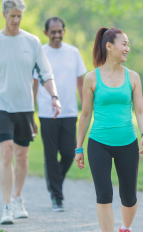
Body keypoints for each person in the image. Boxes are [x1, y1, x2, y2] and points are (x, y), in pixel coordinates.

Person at [0, 0, 61, 225]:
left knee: (22, 156)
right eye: (12, 16)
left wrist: (54, 96)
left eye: (19, 16)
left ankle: (17, 198)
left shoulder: (32, 41)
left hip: (25, 108)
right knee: (6, 152)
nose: (15, 20)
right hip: (1, 107)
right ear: (4, 14)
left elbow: (46, 73)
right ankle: (6, 206)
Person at [74, 27, 143, 232]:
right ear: (109, 46)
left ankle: (125, 227)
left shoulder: (133, 77)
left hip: (128, 142)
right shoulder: (91, 78)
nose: (127, 48)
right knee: (104, 194)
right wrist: (79, 148)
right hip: (99, 143)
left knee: (129, 196)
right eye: (124, 44)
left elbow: (141, 111)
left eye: (128, 44)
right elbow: (85, 115)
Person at [33, 17, 87, 212]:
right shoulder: (40, 53)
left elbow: (81, 82)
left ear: (64, 31)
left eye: (60, 31)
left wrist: (85, 108)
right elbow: (35, 84)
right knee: (50, 155)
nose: (57, 35)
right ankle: (57, 196)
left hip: (70, 111)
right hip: (47, 113)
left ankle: (53, 181)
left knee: (68, 152)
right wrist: (32, 113)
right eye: (53, 32)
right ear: (46, 33)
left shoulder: (73, 53)